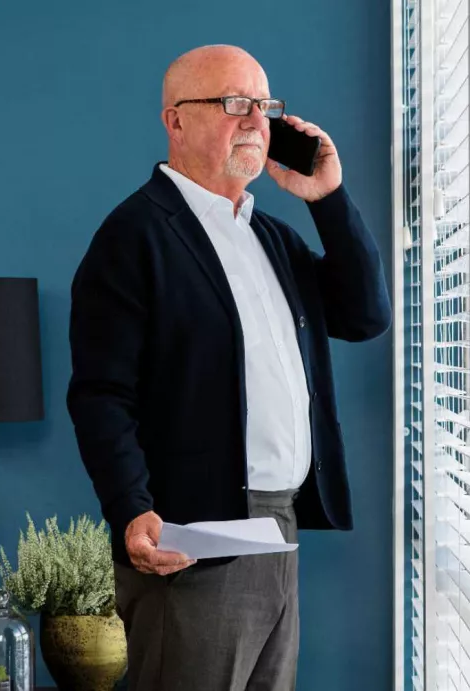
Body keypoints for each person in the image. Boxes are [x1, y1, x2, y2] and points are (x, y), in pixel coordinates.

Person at [66, 44, 391, 691]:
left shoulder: (270, 235)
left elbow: (364, 314)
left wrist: (326, 198)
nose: (254, 120)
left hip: (278, 527)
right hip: (193, 541)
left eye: (264, 105)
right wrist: (131, 508)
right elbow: (101, 393)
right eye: (232, 103)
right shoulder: (134, 235)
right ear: (175, 120)